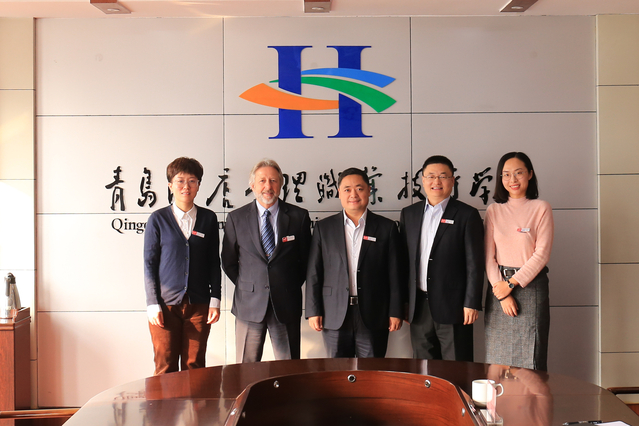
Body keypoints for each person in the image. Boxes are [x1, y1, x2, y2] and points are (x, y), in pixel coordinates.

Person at [306, 167, 403, 358]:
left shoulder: (387, 228)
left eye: (359, 188)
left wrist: (395, 311)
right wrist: (313, 310)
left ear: (369, 190)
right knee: (337, 371)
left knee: (371, 371)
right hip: (334, 313)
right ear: (339, 193)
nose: (353, 194)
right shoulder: (324, 228)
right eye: (347, 189)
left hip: (374, 312)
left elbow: (395, 273)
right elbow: (314, 272)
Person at [222, 159, 311, 363]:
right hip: (248, 305)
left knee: (288, 368)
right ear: (252, 185)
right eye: (262, 181)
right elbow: (228, 261)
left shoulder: (299, 217)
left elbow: (306, 261)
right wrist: (250, 285)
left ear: (281, 184)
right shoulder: (236, 218)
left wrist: (285, 284)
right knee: (246, 369)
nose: (268, 186)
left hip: (286, 304)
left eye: (273, 180)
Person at [399, 155, 484, 362]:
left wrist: (471, 302)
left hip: (454, 306)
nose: (436, 181)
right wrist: (405, 303)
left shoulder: (467, 214)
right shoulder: (409, 214)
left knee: (457, 367)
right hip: (419, 307)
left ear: (452, 181)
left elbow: (474, 263)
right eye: (431, 176)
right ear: (422, 180)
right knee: (423, 367)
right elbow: (403, 263)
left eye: (443, 176)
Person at [144, 157, 221, 375]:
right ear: (170, 185)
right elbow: (149, 264)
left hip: (199, 305)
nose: (186, 186)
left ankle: (195, 401)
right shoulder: (158, 219)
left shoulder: (208, 218)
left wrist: (215, 299)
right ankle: (163, 402)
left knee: (194, 366)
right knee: (165, 365)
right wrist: (152, 303)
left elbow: (214, 262)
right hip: (165, 306)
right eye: (180, 181)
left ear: (199, 185)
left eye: (192, 181)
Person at [484, 151, 553, 371]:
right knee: (497, 359)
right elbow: (488, 256)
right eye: (506, 174)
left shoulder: (541, 208)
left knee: (531, 358)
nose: (512, 179)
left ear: (530, 174)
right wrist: (502, 293)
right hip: (498, 289)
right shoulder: (494, 210)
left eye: (518, 173)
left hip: (530, 287)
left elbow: (541, 254)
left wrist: (511, 284)